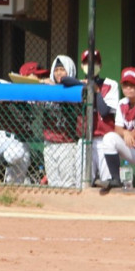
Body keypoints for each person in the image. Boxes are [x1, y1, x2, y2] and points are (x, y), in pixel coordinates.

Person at [41, 54, 85, 188]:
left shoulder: (76, 89)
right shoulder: (46, 90)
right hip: (49, 143)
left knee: (68, 183)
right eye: (56, 69)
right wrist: (41, 82)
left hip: (67, 143)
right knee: (53, 184)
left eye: (62, 69)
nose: (59, 73)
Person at [81, 49, 120, 186]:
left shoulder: (111, 84)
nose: (91, 67)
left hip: (105, 140)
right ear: (82, 66)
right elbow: (64, 80)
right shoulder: (78, 85)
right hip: (84, 140)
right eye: (87, 63)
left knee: (107, 182)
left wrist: (97, 91)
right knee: (82, 183)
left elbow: (104, 111)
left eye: (94, 63)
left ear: (100, 65)